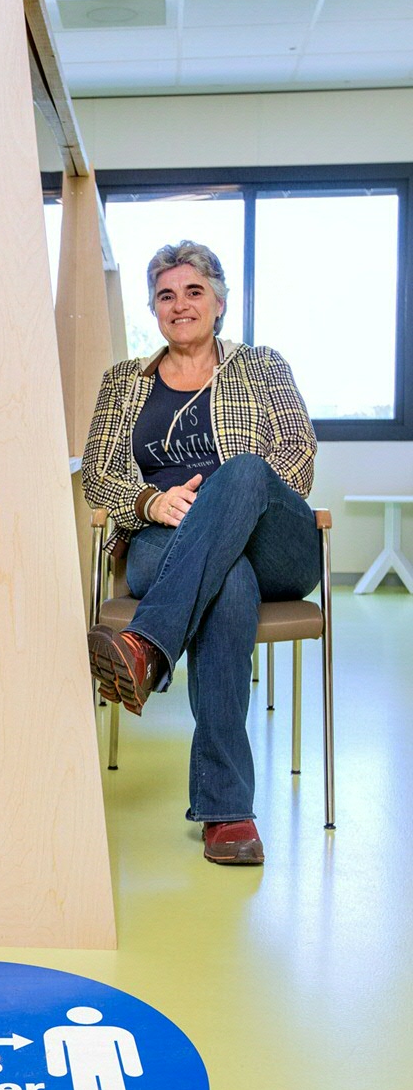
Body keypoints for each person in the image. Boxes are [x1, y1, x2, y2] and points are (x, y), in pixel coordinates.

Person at [83, 240, 319, 866]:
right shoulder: (121, 383)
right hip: (164, 542)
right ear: (153, 309)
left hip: (274, 541)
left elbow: (297, 457)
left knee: (240, 474)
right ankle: (227, 813)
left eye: (194, 292)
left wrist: (226, 503)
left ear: (219, 301)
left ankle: (146, 645)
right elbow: (98, 477)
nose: (180, 305)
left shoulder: (262, 367)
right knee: (228, 581)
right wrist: (147, 503)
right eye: (166, 295)